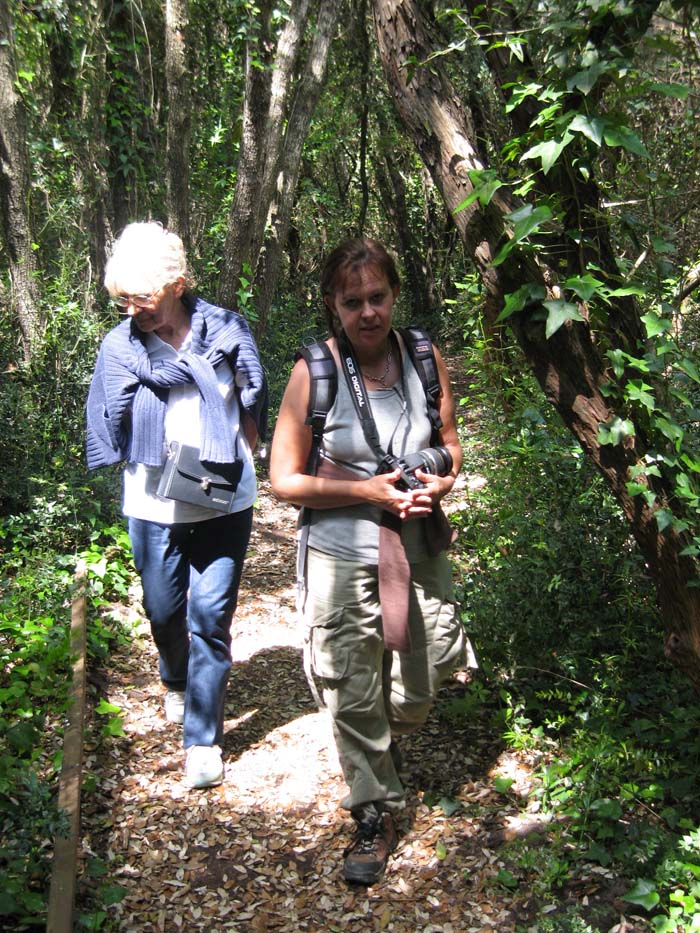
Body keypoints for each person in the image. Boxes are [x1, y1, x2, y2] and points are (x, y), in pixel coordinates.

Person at [269, 238, 467, 885]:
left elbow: (450, 446)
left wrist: (439, 483)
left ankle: (380, 737)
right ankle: (373, 809)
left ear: (394, 294)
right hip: (338, 552)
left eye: (377, 296)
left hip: (416, 547)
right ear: (333, 304)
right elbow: (283, 479)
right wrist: (365, 490)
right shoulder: (315, 371)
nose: (367, 312)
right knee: (353, 684)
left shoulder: (422, 357)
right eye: (352, 301)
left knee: (426, 674)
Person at [86, 222, 267, 789]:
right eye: (123, 299)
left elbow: (254, 395)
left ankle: (202, 739)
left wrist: (239, 442)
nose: (132, 309)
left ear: (178, 284)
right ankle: (174, 676)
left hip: (223, 499)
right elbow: (104, 412)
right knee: (164, 610)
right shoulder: (120, 346)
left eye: (141, 297)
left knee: (210, 618)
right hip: (152, 501)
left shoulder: (227, 330)